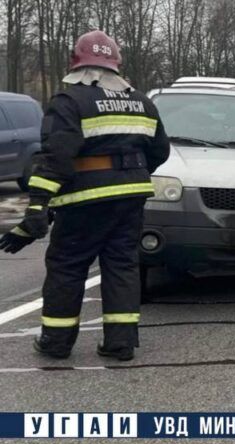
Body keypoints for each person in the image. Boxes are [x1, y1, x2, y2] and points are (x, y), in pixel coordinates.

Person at [0, 30, 170, 361]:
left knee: (67, 266)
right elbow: (160, 151)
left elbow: (56, 160)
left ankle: (57, 342)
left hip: (84, 202)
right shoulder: (142, 103)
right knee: (121, 266)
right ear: (116, 65)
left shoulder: (70, 102)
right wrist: (128, 173)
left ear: (76, 64)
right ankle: (120, 343)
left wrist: (37, 206)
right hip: (131, 198)